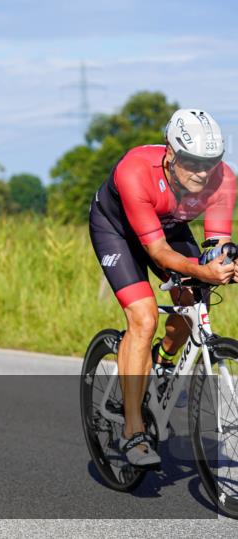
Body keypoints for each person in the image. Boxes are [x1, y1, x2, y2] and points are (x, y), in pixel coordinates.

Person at [90, 109, 237, 467]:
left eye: (210, 162)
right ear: (171, 154)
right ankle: (132, 432)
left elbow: (216, 246)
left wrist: (226, 262)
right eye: (192, 162)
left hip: (169, 230)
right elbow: (157, 252)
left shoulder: (224, 179)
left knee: (194, 306)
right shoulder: (135, 171)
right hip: (118, 233)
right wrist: (201, 270)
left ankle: (163, 362)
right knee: (143, 317)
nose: (203, 172)